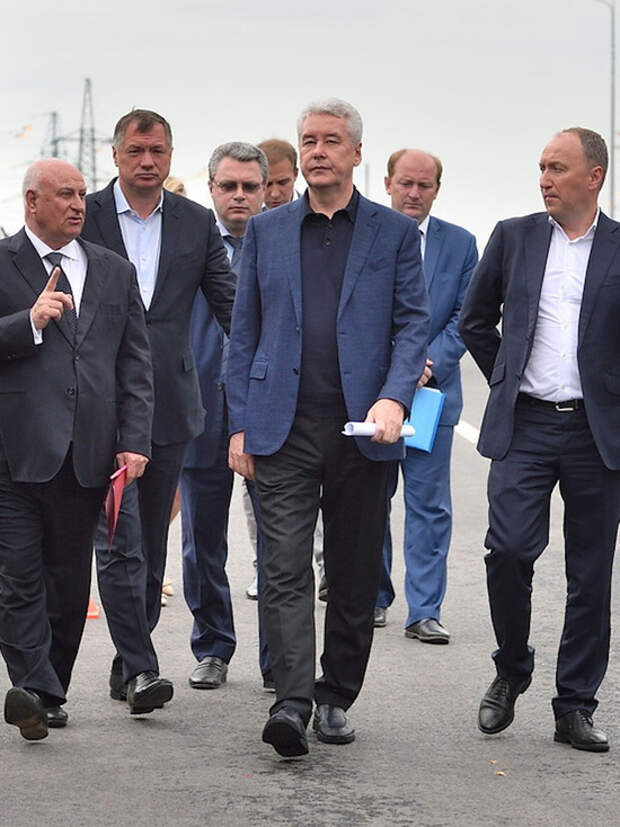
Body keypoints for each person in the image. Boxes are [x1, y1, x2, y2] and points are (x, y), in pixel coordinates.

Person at [227, 98, 430, 757]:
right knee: (283, 567)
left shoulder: (393, 233)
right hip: (280, 427)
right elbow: (244, 331)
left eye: (331, 141)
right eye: (308, 140)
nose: (317, 151)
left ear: (356, 154)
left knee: (351, 572)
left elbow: (413, 325)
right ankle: (291, 702)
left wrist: (395, 399)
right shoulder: (267, 230)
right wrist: (238, 424)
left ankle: (336, 693)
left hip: (362, 432)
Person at [459, 127, 620, 753]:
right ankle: (511, 668)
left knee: (591, 575)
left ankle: (575, 705)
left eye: (557, 168)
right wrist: (506, 378)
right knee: (508, 550)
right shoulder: (514, 236)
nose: (545, 179)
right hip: (525, 423)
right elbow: (476, 320)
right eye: (542, 167)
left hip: (597, 433)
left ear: (594, 176)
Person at [81, 109, 235, 715]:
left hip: (170, 402)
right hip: (93, 401)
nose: (148, 162)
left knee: (148, 539)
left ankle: (130, 663)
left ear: (172, 156)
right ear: (116, 154)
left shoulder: (196, 221)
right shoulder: (84, 214)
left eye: (159, 152)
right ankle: (140, 664)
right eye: (137, 151)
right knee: (115, 536)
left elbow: (229, 305)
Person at [0, 159, 153, 740]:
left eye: (82, 194)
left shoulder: (112, 270)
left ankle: (47, 690)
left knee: (68, 584)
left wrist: (134, 441)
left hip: (87, 453)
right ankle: (34, 689)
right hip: (13, 454)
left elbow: (134, 363)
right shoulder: (3, 261)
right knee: (18, 577)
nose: (77, 204)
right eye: (64, 194)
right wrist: (28, 322)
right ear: (31, 201)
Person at [375, 149, 478, 639]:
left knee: (429, 506)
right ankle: (373, 597)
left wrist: (425, 362)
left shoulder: (460, 244)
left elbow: (467, 316)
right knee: (371, 501)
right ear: (387, 184)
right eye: (406, 183)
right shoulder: (366, 235)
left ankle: (425, 610)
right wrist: (397, 368)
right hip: (374, 394)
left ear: (437, 189)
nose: (414, 194)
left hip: (432, 395)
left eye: (425, 185)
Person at [180, 142, 267, 690]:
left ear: (265, 190)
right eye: (228, 186)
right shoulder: (188, 244)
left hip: (265, 417)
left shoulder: (280, 243)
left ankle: (279, 658)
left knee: (279, 544)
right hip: (199, 411)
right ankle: (212, 646)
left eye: (249, 187)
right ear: (210, 188)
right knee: (201, 542)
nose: (239, 196)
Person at [257, 139, 299, 209]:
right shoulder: (249, 215)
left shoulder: (316, 211)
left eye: (282, 183)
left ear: (295, 174)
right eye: (267, 185)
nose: (275, 194)